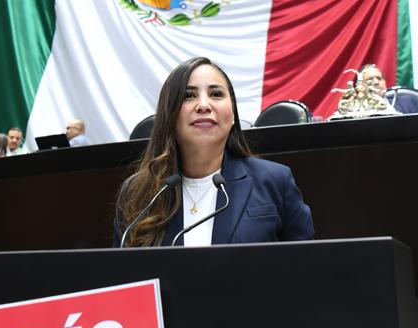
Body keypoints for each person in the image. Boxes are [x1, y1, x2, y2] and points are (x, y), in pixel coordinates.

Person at [115, 55, 314, 247]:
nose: (203, 105)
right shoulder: (137, 192)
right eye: (188, 96)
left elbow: (306, 263)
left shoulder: (274, 180)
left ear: (233, 114)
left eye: (216, 94)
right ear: (170, 115)